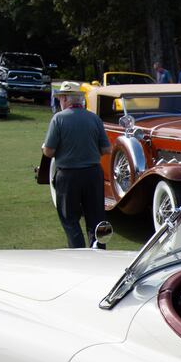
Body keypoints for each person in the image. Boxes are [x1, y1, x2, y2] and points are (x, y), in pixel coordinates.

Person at [42, 88, 111, 248]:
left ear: (65, 99)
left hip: (68, 175)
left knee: (70, 219)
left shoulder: (58, 119)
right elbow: (106, 149)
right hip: (93, 173)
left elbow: (49, 151)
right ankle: (100, 251)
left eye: (60, 99)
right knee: (97, 217)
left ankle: (77, 253)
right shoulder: (94, 118)